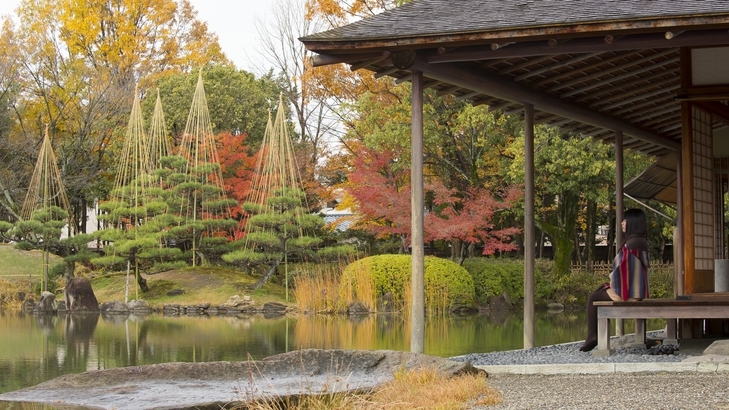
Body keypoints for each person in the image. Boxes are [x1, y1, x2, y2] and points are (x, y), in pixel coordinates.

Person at [579, 208, 650, 352]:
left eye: (625, 220)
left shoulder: (631, 244)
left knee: (594, 297)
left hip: (630, 293)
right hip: (638, 290)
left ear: (633, 222)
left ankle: (593, 336)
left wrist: (611, 280)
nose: (622, 223)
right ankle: (593, 335)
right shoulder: (640, 241)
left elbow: (623, 270)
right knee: (599, 291)